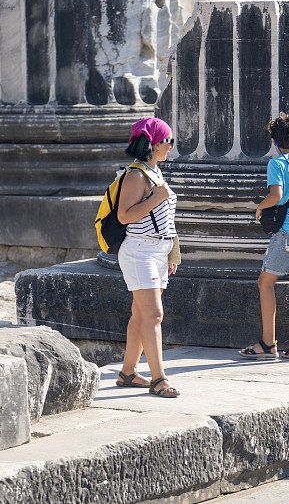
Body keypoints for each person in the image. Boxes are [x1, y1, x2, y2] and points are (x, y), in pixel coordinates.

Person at [239, 112, 289, 361]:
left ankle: (267, 344)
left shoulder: (276, 164)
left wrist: (261, 207)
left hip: (287, 234)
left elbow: (276, 195)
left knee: (265, 283)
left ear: (274, 141)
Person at [114, 117, 180, 398]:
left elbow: (167, 218)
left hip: (157, 250)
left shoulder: (154, 172)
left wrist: (173, 251)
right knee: (154, 314)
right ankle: (159, 379)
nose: (172, 146)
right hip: (140, 250)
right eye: (169, 141)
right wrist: (155, 198)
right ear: (155, 144)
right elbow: (124, 216)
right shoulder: (136, 175)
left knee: (140, 314)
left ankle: (128, 372)